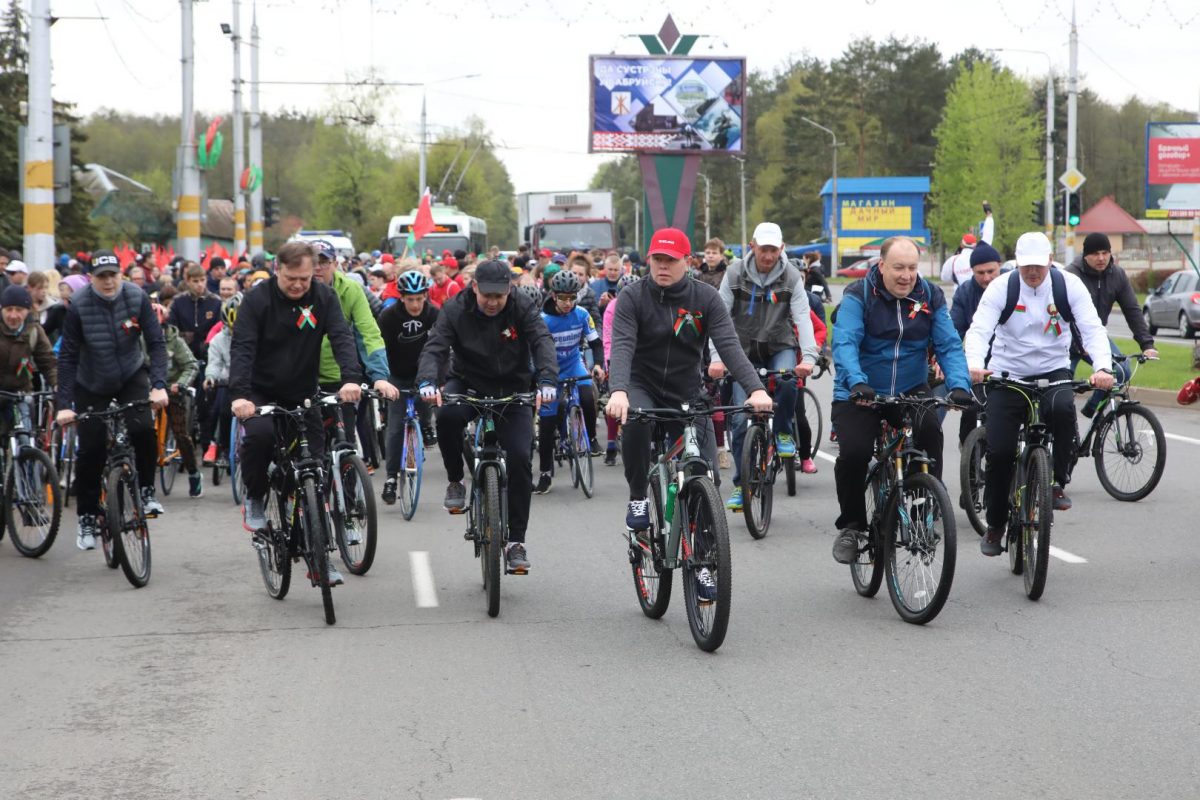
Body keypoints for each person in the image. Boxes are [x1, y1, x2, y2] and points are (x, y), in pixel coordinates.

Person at [606, 227, 773, 569]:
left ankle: (707, 563)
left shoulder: (705, 298)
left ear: (688, 262)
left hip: (687, 391)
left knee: (707, 476)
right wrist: (619, 390)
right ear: (649, 260)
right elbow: (622, 345)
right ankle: (638, 497)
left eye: (671, 260)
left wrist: (755, 388)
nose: (663, 266)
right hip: (641, 385)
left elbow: (728, 344)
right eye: (657, 259)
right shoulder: (633, 297)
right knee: (634, 420)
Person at [963, 231, 1114, 556]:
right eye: (1026, 266)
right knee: (1000, 452)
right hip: (1007, 374)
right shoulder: (1002, 288)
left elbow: (1092, 328)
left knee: (1062, 411)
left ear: (1049, 261)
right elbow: (979, 330)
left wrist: (1103, 367)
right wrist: (975, 364)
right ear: (1017, 263)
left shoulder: (1067, 286)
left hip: (1053, 370)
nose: (1032, 273)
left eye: (1038, 266)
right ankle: (996, 525)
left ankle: (1057, 481)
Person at [829, 236, 972, 564]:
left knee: (930, 433)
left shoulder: (930, 295)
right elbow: (846, 343)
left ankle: (924, 505)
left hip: (910, 388)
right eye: (898, 268)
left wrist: (959, 385)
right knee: (854, 453)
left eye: (912, 267)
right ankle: (852, 526)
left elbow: (948, 344)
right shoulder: (859, 295)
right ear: (881, 266)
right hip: (859, 390)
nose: (906, 275)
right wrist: (857, 382)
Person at [230, 242, 363, 585]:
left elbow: (341, 337)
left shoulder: (323, 297)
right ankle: (256, 497)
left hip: (304, 393)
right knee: (257, 438)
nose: (299, 285)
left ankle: (320, 560)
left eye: (305, 278)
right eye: (292, 278)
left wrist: (351, 379)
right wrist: (240, 396)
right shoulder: (257, 301)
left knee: (314, 477)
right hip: (260, 393)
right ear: (278, 270)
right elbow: (243, 348)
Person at [415, 260, 557, 575]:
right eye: (486, 295)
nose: (493, 303)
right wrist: (427, 380)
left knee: (520, 457)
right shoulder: (455, 309)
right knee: (448, 416)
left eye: (500, 296)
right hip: (468, 382)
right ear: (474, 287)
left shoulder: (521, 306)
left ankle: (516, 543)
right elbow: (435, 347)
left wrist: (547, 381)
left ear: (510, 290)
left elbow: (541, 341)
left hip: (513, 388)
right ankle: (456, 480)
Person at [54, 250, 169, 551]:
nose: (108, 282)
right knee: (91, 449)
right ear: (91, 278)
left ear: (121, 274)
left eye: (113, 275)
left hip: (131, 374)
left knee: (143, 428)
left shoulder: (136, 296)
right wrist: (64, 403)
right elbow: (66, 358)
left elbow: (156, 343)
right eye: (101, 276)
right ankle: (87, 517)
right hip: (91, 381)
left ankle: (145, 490)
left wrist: (158, 385)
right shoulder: (78, 306)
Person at [709, 222, 820, 511]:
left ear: (781, 249)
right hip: (741, 350)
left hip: (779, 344)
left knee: (786, 380)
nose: (768, 256)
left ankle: (783, 431)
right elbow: (718, 318)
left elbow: (803, 317)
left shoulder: (792, 277)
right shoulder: (734, 274)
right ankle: (740, 485)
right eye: (763, 249)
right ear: (752, 247)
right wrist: (717, 357)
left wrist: (808, 357)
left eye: (774, 250)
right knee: (738, 420)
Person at [311, 240, 398, 461]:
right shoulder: (297, 289)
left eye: (323, 262)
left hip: (340, 378)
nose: (317, 268)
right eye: (313, 262)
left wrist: (379, 376)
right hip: (303, 378)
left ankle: (348, 491)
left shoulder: (351, 290)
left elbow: (369, 332)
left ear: (335, 264)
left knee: (345, 445)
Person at [1065, 232, 1158, 417]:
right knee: (1061, 391)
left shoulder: (1117, 275)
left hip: (1095, 336)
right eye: (1095, 254)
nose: (1101, 258)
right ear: (1085, 255)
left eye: (1105, 253)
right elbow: (1062, 314)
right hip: (1066, 340)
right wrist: (1078, 343)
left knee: (1121, 371)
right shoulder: (1070, 275)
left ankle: (1092, 410)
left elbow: (1132, 310)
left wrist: (1147, 344)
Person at [534, 270, 606, 494]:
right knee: (546, 425)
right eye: (563, 298)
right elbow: (534, 351)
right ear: (554, 296)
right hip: (551, 370)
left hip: (574, 363)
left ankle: (591, 438)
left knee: (587, 395)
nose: (567, 303)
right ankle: (545, 474)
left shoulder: (583, 314)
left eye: (571, 297)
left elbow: (596, 343)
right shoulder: (543, 320)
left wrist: (597, 365)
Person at [377, 270, 439, 505]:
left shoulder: (434, 314)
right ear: (401, 297)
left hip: (424, 373)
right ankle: (391, 478)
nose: (415, 304)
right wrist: (382, 379)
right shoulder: (389, 317)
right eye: (409, 299)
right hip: (397, 374)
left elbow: (442, 348)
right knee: (394, 428)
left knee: (426, 399)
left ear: (426, 295)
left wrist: (439, 378)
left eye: (419, 299)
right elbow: (380, 350)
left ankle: (426, 425)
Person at [946, 242, 1003, 443]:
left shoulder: (1013, 284)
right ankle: (969, 453)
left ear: (1000, 265)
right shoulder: (965, 292)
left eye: (991, 271)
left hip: (1011, 362)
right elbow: (954, 330)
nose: (986, 277)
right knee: (971, 409)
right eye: (980, 273)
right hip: (979, 362)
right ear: (972, 271)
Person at [149, 302, 203, 497]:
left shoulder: (174, 339)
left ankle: (194, 474)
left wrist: (180, 384)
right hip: (148, 389)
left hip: (172, 389)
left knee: (181, 434)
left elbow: (191, 365)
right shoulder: (138, 339)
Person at [0, 285, 56, 437]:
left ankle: (26, 455)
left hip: (20, 392)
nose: (13, 315)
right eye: (8, 309)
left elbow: (48, 362)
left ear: (27, 311)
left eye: (19, 310)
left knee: (25, 433)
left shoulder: (34, 331)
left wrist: (57, 384)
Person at [202, 293, 241, 468]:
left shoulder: (258, 334)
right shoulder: (219, 339)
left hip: (252, 380)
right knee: (223, 411)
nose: (234, 332)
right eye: (230, 328)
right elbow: (215, 363)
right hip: (228, 379)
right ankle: (223, 448)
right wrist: (210, 377)